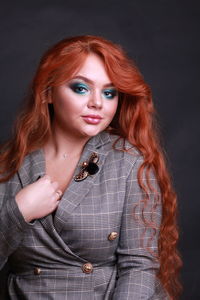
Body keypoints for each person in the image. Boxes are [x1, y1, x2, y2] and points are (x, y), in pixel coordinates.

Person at [0, 35, 182, 299]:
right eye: (81, 88)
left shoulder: (129, 161)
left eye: (109, 93)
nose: (98, 102)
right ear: (48, 92)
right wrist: (20, 211)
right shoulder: (10, 163)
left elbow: (139, 268)